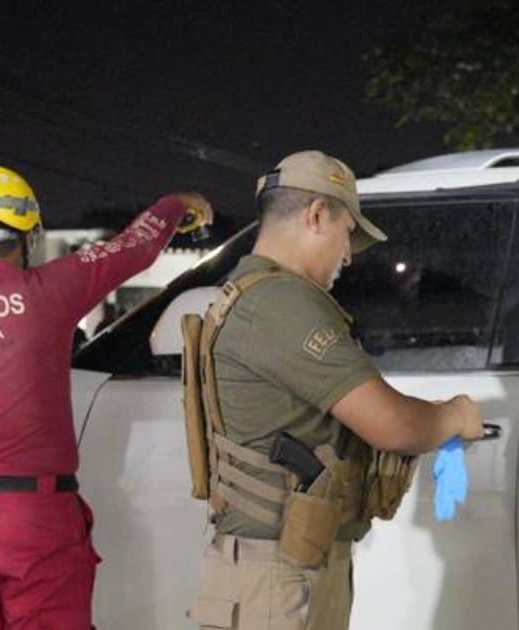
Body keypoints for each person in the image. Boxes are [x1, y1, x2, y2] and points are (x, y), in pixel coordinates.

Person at [0, 165, 211, 628]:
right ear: (29, 235)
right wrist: (175, 205)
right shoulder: (49, 290)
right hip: (37, 522)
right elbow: (132, 248)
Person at [187, 150, 486, 630]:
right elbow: (393, 426)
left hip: (283, 570)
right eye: (347, 233)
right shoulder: (281, 304)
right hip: (278, 580)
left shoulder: (256, 294)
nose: (348, 255)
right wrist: (456, 415)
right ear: (316, 215)